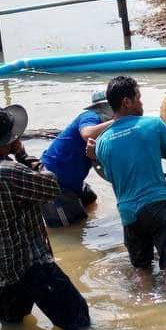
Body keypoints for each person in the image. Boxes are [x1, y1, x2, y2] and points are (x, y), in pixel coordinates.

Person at [0, 104, 90, 330]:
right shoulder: (11, 171)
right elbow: (51, 186)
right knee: (78, 320)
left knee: (13, 324)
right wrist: (23, 155)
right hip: (30, 262)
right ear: (9, 140)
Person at [94, 76, 166, 284]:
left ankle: (147, 308)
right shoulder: (153, 125)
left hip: (128, 214)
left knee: (142, 270)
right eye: (138, 98)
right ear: (126, 102)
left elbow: (110, 176)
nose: (141, 103)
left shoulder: (101, 142)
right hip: (158, 205)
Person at [40, 89, 114, 227]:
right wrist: (118, 120)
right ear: (104, 107)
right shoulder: (90, 116)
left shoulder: (104, 127)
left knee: (91, 200)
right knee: (70, 228)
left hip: (72, 180)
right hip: (53, 181)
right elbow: (87, 134)